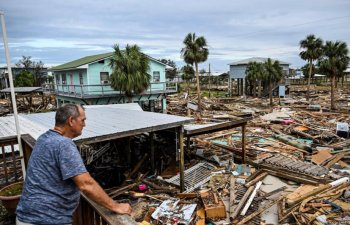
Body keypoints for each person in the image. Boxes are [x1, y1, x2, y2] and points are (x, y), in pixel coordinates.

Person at [16, 104, 132, 225]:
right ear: (71, 121)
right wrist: (115, 206)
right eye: (83, 120)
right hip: (46, 219)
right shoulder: (64, 144)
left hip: (26, 216)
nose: (84, 124)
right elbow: (86, 184)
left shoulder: (44, 138)